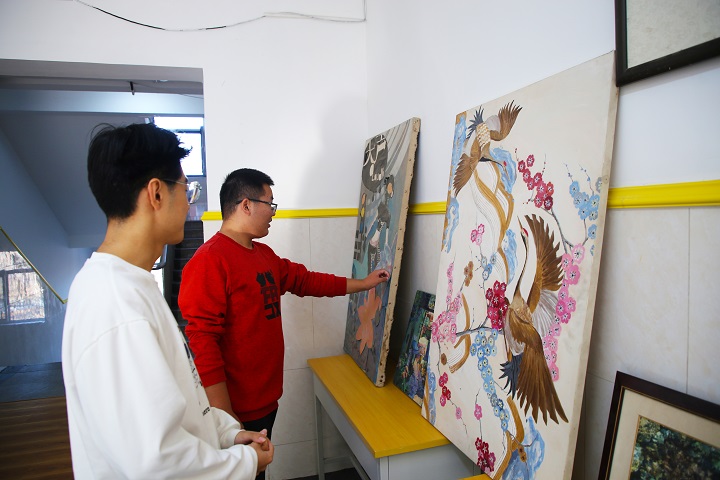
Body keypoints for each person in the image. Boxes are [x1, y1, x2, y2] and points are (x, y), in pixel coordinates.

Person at [62, 124, 273, 479]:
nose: (189, 202)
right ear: (156, 194)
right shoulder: (116, 306)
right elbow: (158, 462)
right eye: (186, 189)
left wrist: (227, 433)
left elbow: (179, 400)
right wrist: (247, 462)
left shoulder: (133, 284)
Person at [178, 168, 389, 456]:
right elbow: (202, 343)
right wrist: (226, 420)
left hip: (266, 400)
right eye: (270, 203)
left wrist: (363, 284)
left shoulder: (264, 255)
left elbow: (308, 281)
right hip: (234, 411)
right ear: (246, 205)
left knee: (259, 470)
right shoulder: (209, 261)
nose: (273, 212)